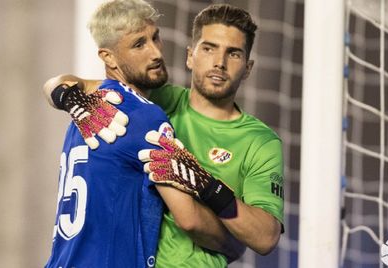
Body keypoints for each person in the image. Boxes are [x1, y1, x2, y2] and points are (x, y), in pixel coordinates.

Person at [45, 3, 284, 268]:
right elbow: (189, 219)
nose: (219, 62)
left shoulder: (260, 141)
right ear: (190, 55)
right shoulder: (148, 109)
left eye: (234, 53)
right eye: (209, 48)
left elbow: (266, 238)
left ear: (248, 68)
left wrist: (208, 186)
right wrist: (65, 95)